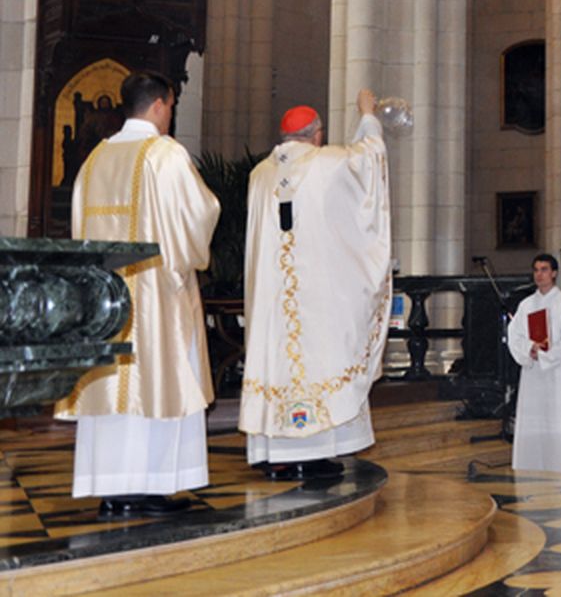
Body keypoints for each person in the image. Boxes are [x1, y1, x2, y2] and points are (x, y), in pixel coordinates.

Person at [56, 72, 220, 518]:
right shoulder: (165, 154)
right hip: (154, 301)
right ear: (160, 105)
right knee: (158, 387)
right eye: (171, 106)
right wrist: (187, 261)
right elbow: (200, 213)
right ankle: (149, 488)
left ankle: (112, 490)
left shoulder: (94, 159)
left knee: (111, 391)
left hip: (104, 304)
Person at [240, 90, 391, 481]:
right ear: (317, 134)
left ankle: (276, 453)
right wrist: (368, 115)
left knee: (278, 361)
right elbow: (369, 160)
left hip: (273, 302)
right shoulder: (329, 163)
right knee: (319, 359)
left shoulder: (260, 175)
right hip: (317, 300)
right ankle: (313, 452)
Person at [508, 253, 561, 473]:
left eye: (544, 270)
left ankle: (560, 470)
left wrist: (546, 354)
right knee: (532, 422)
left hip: (557, 373)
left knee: (556, 421)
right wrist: (530, 348)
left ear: (554, 273)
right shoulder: (526, 304)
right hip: (532, 374)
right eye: (536, 270)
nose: (539, 274)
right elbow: (514, 335)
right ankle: (530, 470)